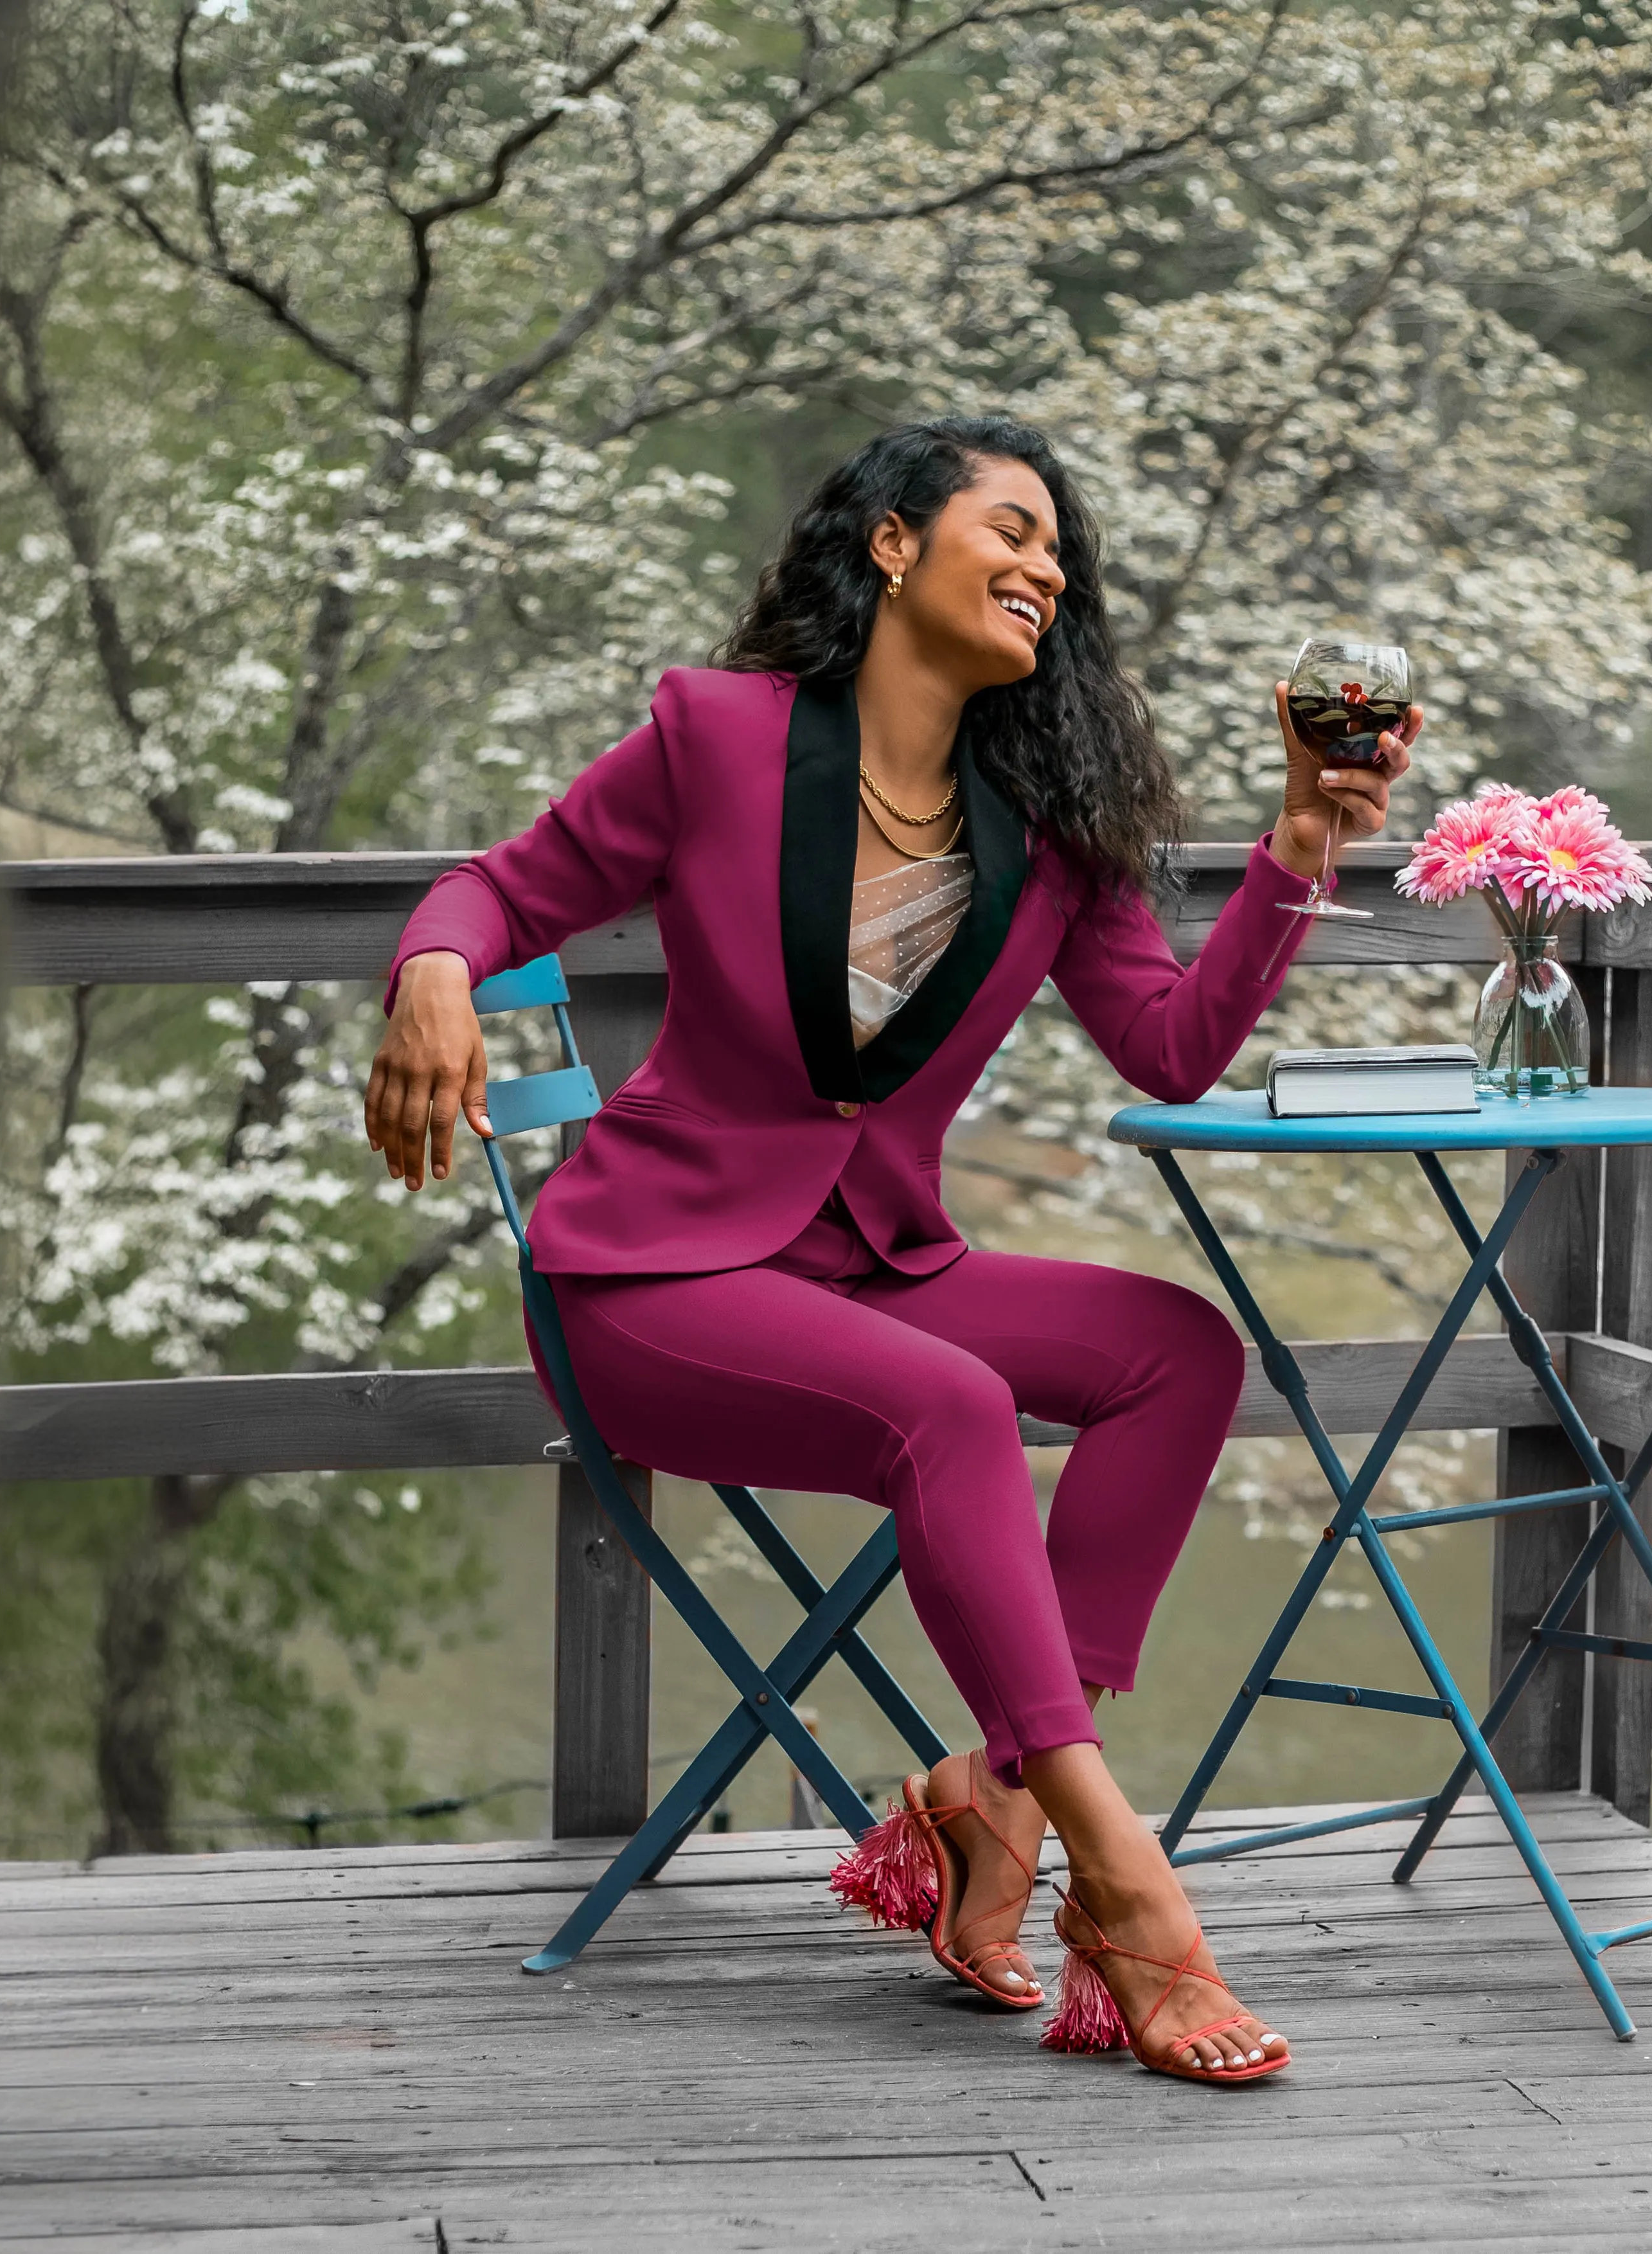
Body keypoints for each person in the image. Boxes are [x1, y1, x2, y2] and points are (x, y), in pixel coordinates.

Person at [367, 415, 1416, 2085]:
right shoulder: (714, 739)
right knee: (954, 1409)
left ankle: (989, 1798)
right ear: (892, 547)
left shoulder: (1053, 821)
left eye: (1062, 549)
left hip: (871, 1265)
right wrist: (434, 973)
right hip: (650, 1284)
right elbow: (497, 894)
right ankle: (1124, 1884)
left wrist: (1302, 852)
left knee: (1183, 1352)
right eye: (1012, 526)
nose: (1048, 564)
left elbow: (1166, 1047)